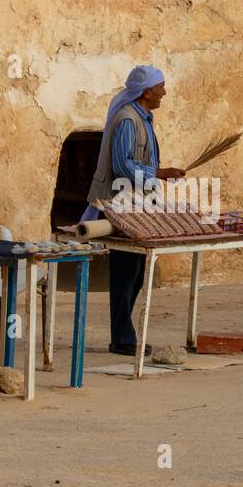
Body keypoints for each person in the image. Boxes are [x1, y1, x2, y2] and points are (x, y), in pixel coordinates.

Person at [82, 65, 186, 355]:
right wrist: (160, 173)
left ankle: (124, 335)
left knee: (136, 272)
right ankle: (122, 339)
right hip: (122, 204)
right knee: (126, 272)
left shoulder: (143, 118)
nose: (165, 92)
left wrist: (158, 175)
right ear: (147, 92)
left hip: (137, 202)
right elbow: (123, 165)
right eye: (161, 87)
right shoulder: (128, 119)